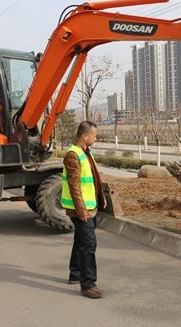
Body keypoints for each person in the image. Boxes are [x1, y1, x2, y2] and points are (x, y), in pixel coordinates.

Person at [61, 121, 107, 299]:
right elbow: (75, 187)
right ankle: (88, 284)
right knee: (89, 244)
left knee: (81, 239)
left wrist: (100, 199)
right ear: (85, 136)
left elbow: (93, 179)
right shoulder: (73, 155)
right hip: (80, 209)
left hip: (89, 206)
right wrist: (81, 211)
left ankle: (75, 273)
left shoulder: (86, 153)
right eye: (94, 135)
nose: (96, 139)